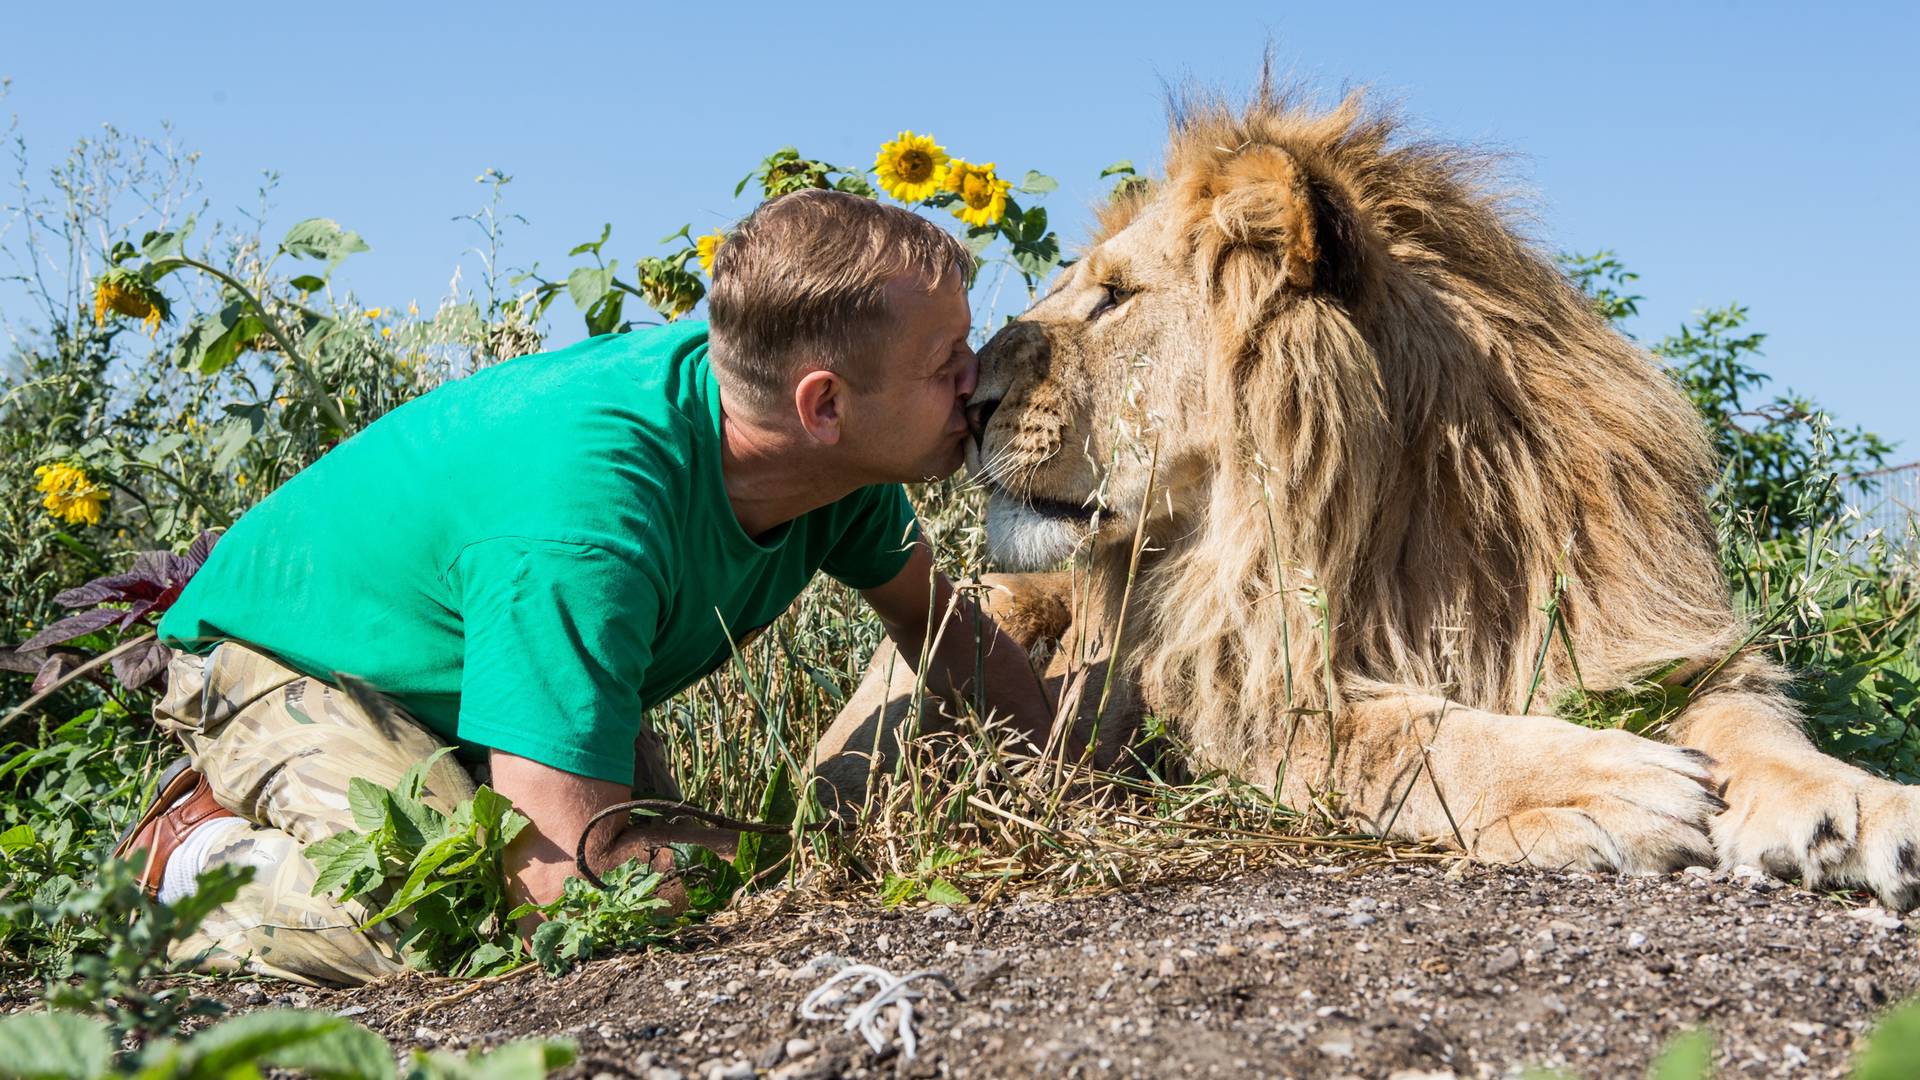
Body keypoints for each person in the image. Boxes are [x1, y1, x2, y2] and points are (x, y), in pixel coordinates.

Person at [115, 189, 1053, 986]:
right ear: (825, 404)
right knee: (465, 914)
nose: (980, 385)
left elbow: (948, 638)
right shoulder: (587, 516)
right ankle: (188, 868)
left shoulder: (835, 475)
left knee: (706, 875)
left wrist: (1077, 774)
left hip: (477, 679)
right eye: (948, 365)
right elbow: (568, 883)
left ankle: (457, 782)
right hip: (281, 660)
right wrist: (656, 853)